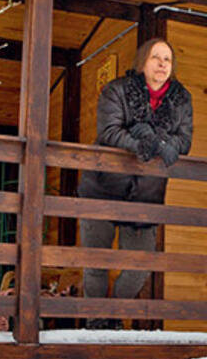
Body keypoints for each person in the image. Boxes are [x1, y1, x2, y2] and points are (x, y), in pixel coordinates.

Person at [76, 38, 193, 330]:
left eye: (167, 59)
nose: (163, 64)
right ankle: (96, 324)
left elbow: (184, 141)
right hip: (101, 186)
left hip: (146, 193)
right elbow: (109, 132)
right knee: (96, 264)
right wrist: (149, 142)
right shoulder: (117, 90)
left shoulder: (181, 99)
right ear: (143, 62)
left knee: (140, 266)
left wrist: (158, 139)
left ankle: (114, 313)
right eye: (156, 57)